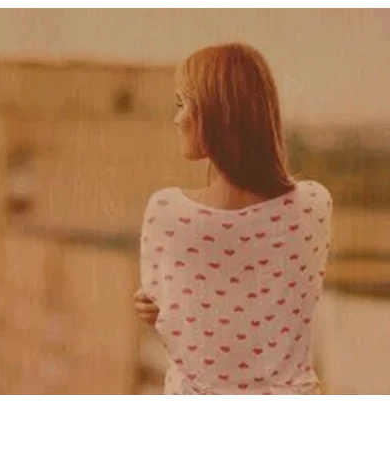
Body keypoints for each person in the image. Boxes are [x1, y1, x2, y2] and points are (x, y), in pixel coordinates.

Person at [134, 43, 332, 396]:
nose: (176, 119)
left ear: (215, 113)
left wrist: (170, 301)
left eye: (182, 104)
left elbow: (168, 313)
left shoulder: (167, 212)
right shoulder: (314, 205)